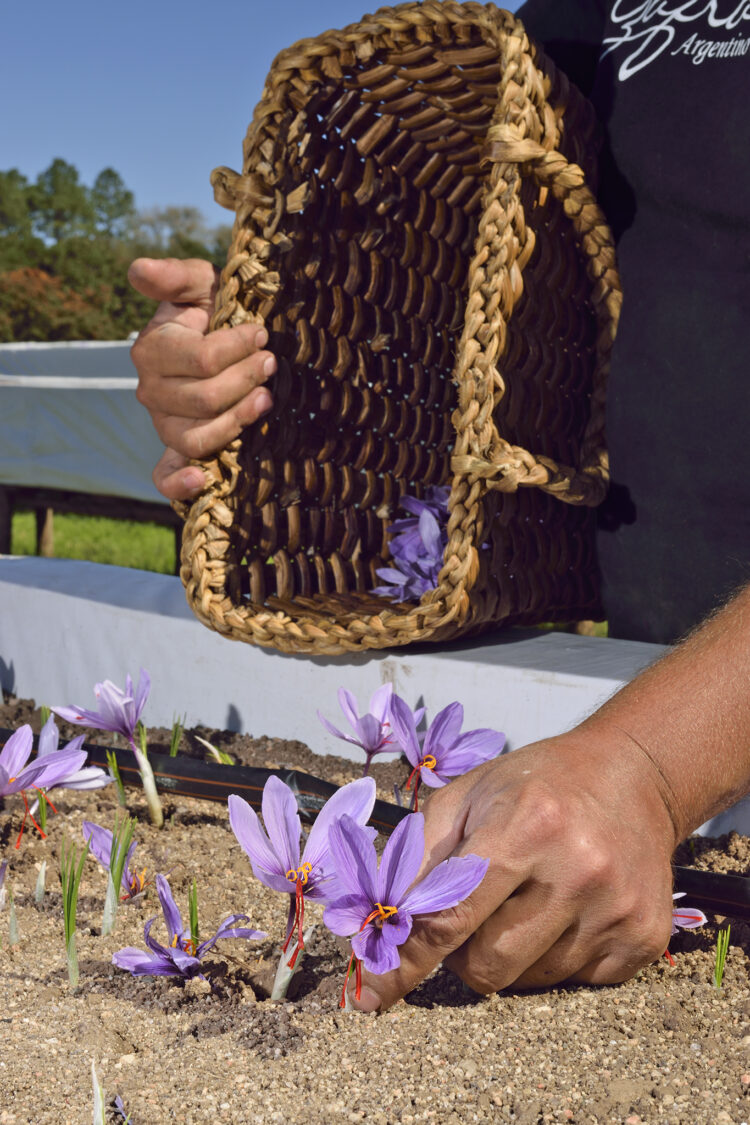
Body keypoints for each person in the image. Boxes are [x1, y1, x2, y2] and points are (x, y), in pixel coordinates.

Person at [128, 0, 750, 1010]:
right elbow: (458, 290)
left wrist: (653, 762)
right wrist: (262, 364)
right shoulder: (580, 17)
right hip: (645, 684)